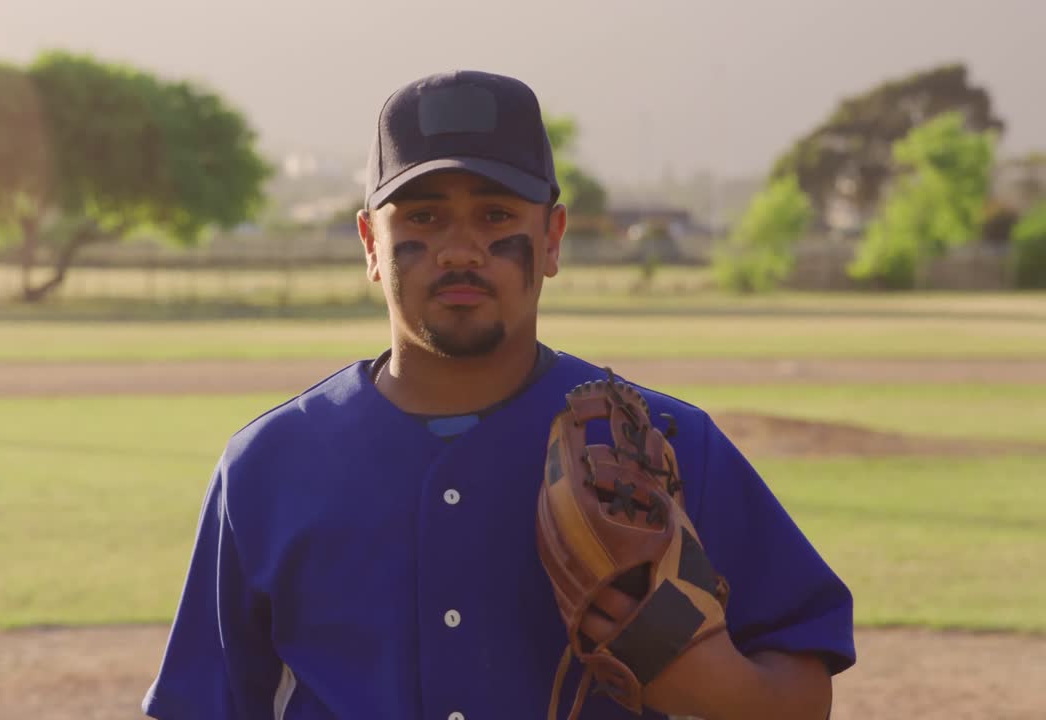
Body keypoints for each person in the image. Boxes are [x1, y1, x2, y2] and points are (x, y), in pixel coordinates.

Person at [142, 70, 855, 720]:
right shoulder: (270, 465)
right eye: (421, 217)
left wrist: (704, 678)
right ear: (368, 241)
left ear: (552, 237)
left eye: (494, 216)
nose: (459, 249)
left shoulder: (660, 441)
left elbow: (801, 689)